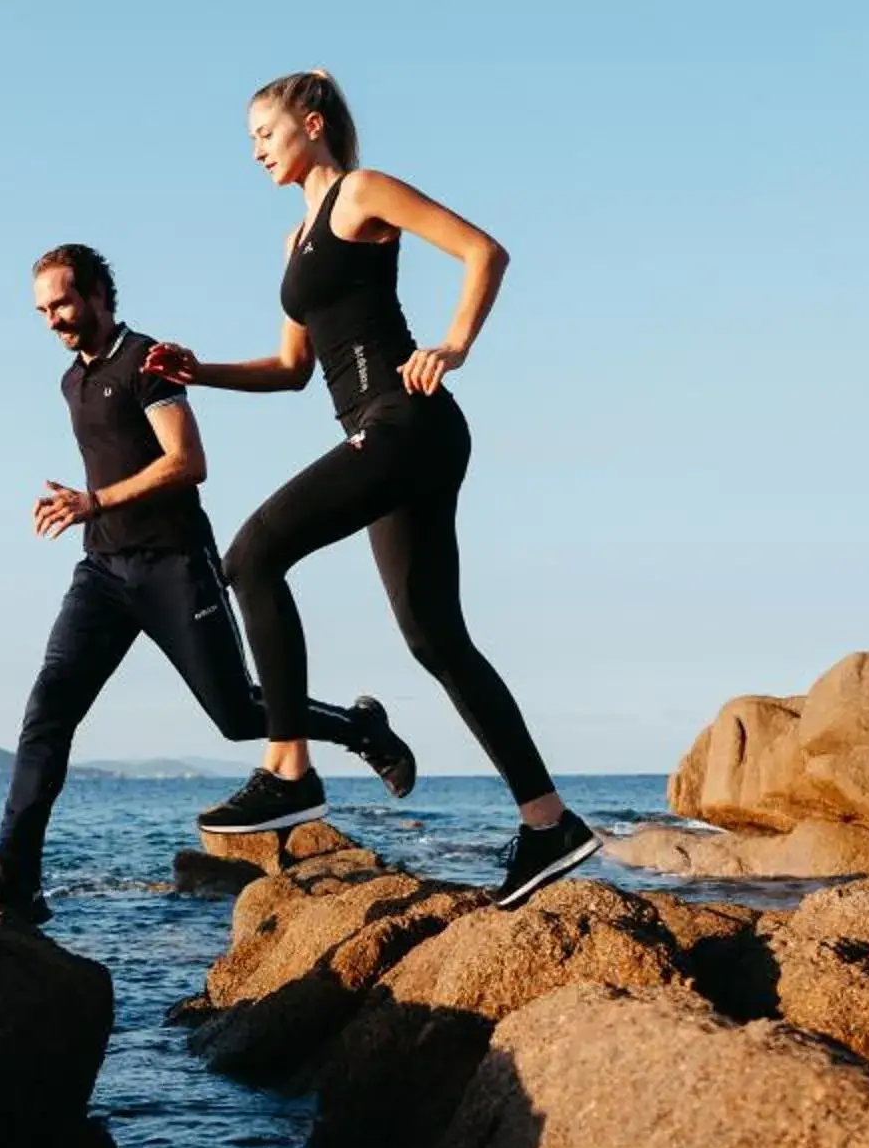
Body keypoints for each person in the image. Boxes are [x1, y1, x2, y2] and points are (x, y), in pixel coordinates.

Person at [141, 71, 598, 908]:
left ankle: (290, 767)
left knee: (252, 554)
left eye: (265, 134)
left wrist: (453, 345)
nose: (255, 150)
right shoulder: (295, 241)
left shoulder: (363, 193)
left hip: (407, 420)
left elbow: (483, 251)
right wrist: (196, 371)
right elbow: (289, 371)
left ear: (311, 126)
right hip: (383, 434)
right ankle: (549, 823)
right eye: (250, 139)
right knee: (434, 638)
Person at [0, 242, 416, 923]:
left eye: (62, 303)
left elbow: (187, 462)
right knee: (48, 714)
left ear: (98, 294)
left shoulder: (144, 361)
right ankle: (16, 879)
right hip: (102, 572)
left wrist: (93, 501)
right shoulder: (73, 380)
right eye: (41, 309)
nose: (53, 320)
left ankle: (359, 727)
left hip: (173, 562)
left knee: (238, 712)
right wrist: (90, 513)